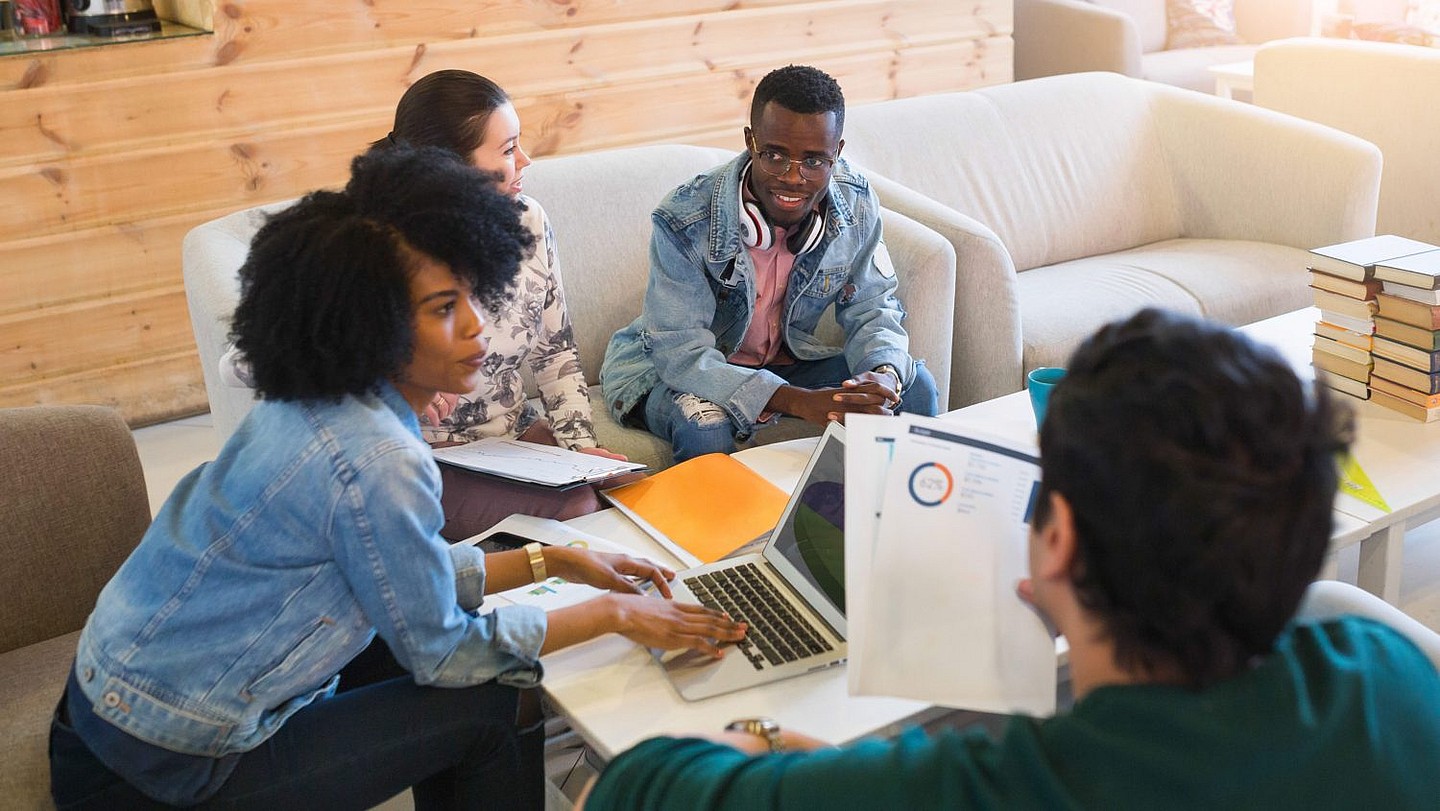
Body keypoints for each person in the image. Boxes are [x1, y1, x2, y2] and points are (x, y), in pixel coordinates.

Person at [49, 145, 745, 811]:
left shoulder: (318, 401)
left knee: (464, 650)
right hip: (161, 766)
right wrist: (615, 614)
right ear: (372, 322)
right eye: (443, 310)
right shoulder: (376, 456)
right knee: (497, 696)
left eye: (470, 295)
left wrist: (556, 558)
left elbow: (399, 574)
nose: (476, 326)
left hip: (106, 710)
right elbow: (442, 650)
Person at [580, 308, 1440, 810]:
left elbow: (636, 785)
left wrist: (765, 738)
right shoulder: (1393, 675)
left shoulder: (993, 785)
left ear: (1056, 540)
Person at [227, 69, 624, 540]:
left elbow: (554, 354)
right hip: (416, 455)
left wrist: (582, 451)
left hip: (515, 445)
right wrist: (387, 371)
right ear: (448, 166)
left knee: (617, 488)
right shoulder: (372, 246)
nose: (525, 159)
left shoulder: (526, 220)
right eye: (506, 149)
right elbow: (244, 362)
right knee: (579, 507)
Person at [600, 65, 940, 464]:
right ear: (751, 141)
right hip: (668, 371)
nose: (793, 178)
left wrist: (882, 375)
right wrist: (796, 401)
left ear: (838, 153)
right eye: (775, 156)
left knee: (914, 388)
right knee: (705, 428)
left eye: (815, 161)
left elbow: (873, 308)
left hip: (785, 361)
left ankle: (876, 518)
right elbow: (680, 353)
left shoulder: (856, 202)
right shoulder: (684, 218)